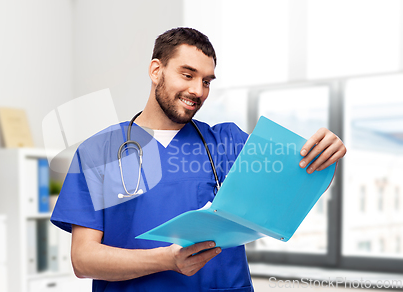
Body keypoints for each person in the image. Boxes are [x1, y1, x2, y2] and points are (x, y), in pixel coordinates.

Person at [51, 27, 346, 291]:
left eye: (206, 81)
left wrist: (326, 150)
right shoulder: (99, 152)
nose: (198, 91)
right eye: (187, 74)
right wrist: (166, 260)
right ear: (156, 70)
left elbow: (297, 180)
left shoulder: (228, 142)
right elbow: (84, 259)